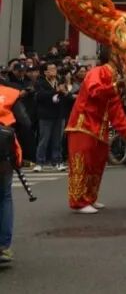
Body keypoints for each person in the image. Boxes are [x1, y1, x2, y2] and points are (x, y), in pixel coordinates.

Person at [65, 49, 126, 213]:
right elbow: (95, 91)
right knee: (83, 162)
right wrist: (116, 85)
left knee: (97, 163)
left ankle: (89, 197)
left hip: (100, 128)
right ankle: (78, 201)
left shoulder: (114, 79)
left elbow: (115, 110)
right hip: (84, 124)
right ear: (113, 56)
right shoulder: (98, 71)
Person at [1, 81, 33, 267]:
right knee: (4, 196)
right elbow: (26, 123)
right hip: (3, 152)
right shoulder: (11, 93)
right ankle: (3, 247)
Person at [33, 62, 73, 171]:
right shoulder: (40, 82)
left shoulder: (59, 81)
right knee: (44, 139)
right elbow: (40, 96)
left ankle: (57, 161)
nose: (53, 71)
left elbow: (66, 94)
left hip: (59, 114)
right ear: (45, 71)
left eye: (54, 68)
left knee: (57, 140)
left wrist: (65, 92)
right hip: (46, 115)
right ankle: (39, 162)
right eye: (51, 69)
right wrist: (56, 91)